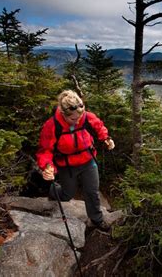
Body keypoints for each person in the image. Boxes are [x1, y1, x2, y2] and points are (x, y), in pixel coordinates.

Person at [36, 90, 115, 231]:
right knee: (67, 195)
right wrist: (47, 167)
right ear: (63, 114)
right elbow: (45, 150)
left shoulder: (86, 117)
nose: (78, 121)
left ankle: (97, 220)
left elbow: (99, 127)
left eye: (80, 117)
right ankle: (54, 191)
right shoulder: (52, 125)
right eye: (73, 119)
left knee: (92, 191)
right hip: (67, 165)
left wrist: (106, 139)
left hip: (88, 160)